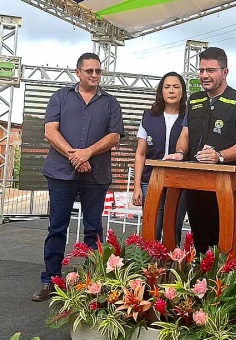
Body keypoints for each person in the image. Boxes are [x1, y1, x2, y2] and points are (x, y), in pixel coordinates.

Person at [32, 52, 124, 302]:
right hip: (61, 174)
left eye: (98, 71)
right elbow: (50, 132)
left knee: (93, 230)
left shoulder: (111, 102)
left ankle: (95, 283)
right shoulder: (60, 97)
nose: (95, 75)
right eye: (89, 71)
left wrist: (87, 153)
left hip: (96, 176)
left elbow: (115, 136)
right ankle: (51, 280)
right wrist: (75, 156)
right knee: (56, 228)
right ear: (78, 72)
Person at [164, 47, 236, 253]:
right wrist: (179, 152)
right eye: (202, 70)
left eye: (211, 70)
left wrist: (219, 156)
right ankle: (200, 283)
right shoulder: (194, 99)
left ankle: (223, 283)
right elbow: (185, 134)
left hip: (225, 184)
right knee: (201, 241)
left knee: (223, 244)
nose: (205, 75)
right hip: (195, 182)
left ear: (225, 72)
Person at [132, 71, 188, 247]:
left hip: (179, 182)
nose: (171, 91)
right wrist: (136, 187)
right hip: (151, 181)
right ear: (161, 91)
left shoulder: (190, 117)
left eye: (176, 87)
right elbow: (140, 154)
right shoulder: (148, 117)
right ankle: (148, 271)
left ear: (182, 92)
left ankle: (171, 272)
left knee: (172, 230)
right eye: (167, 87)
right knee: (150, 231)